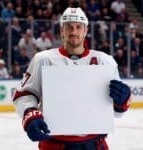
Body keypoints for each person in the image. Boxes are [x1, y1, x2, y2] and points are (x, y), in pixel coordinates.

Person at [13, 7, 131, 150]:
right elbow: (24, 94)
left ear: (85, 30)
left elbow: (117, 112)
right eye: (69, 27)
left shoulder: (105, 61)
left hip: (95, 144)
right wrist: (30, 114)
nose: (73, 32)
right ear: (62, 30)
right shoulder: (42, 59)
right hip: (54, 144)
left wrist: (123, 100)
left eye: (78, 27)